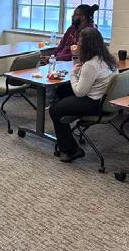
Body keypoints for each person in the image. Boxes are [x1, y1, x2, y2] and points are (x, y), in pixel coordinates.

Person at [49, 27, 118, 162]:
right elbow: (81, 73)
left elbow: (80, 92)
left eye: (80, 42)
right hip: (105, 100)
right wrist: (75, 57)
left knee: (54, 110)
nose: (78, 44)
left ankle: (71, 150)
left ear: (86, 45)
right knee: (62, 90)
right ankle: (66, 121)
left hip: (94, 103)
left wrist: (72, 74)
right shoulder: (107, 59)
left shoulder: (91, 65)